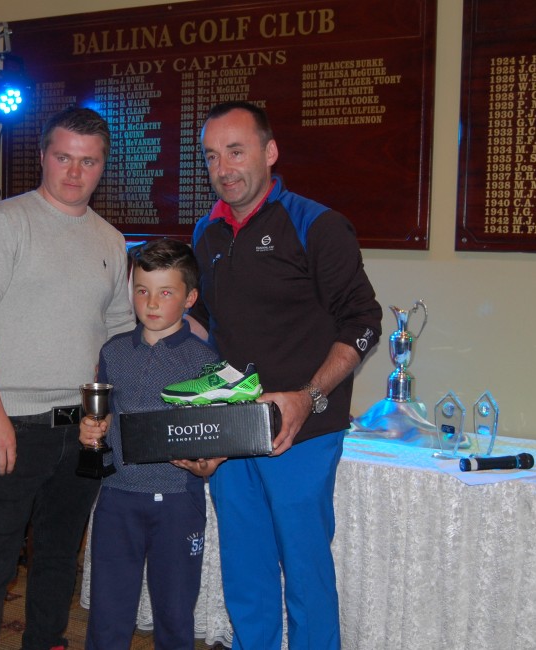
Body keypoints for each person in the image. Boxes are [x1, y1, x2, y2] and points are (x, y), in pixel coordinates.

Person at [188, 101, 383, 649]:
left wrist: (308, 396)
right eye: (211, 156)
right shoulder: (206, 232)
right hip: (233, 430)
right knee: (245, 577)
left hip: (303, 431)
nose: (223, 168)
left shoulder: (316, 224)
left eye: (236, 151)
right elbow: (205, 331)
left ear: (269, 153)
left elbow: (365, 321)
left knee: (305, 576)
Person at [0, 106, 134, 650]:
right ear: (43, 157)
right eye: (63, 158)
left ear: (102, 168)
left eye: (89, 162)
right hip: (13, 425)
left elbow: (120, 331)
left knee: (58, 558)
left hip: (82, 427)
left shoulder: (110, 240)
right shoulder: (6, 222)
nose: (74, 173)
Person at [80, 238, 219, 649]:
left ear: (190, 297)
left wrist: (209, 461)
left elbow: (214, 432)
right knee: (108, 614)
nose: (151, 303)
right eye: (142, 291)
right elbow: (101, 416)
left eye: (165, 292)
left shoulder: (205, 362)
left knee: (175, 615)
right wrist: (89, 430)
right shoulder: (114, 351)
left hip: (178, 501)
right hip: (117, 498)